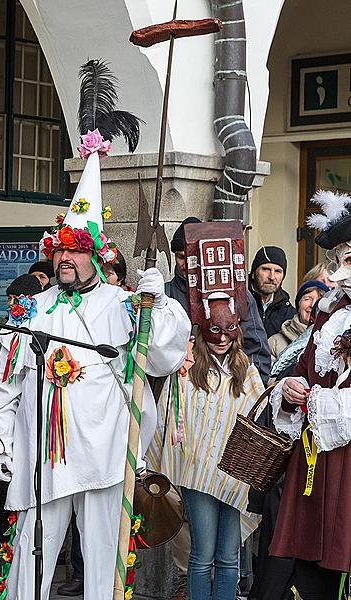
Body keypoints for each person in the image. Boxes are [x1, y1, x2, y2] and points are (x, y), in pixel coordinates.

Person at [0, 136, 190, 600]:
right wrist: (0, 442)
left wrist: (160, 301)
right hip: (43, 458)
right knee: (31, 560)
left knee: (102, 563)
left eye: (75, 251)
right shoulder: (30, 310)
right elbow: (4, 387)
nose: (65, 259)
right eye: (59, 251)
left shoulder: (124, 303)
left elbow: (164, 352)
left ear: (95, 254)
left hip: (106, 454)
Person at [146, 224, 264, 600]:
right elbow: (167, 418)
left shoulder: (249, 371)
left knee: (229, 556)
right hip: (198, 474)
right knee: (201, 556)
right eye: (215, 329)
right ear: (202, 329)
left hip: (235, 477)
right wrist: (151, 459)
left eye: (229, 329)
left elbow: (261, 418)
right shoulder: (185, 369)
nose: (222, 336)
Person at [269, 190, 351, 599]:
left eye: (347, 260)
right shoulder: (328, 313)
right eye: (335, 260)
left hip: (347, 462)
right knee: (309, 567)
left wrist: (318, 402)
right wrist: (291, 390)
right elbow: (301, 369)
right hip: (315, 459)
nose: (337, 271)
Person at [167, 217, 271, 380]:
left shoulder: (238, 294)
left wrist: (251, 389)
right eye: (181, 257)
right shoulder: (167, 295)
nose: (186, 264)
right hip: (180, 390)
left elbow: (256, 348)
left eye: (191, 257)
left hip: (231, 390)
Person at [268, 280, 328, 360]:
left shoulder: (334, 342)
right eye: (307, 299)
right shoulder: (275, 342)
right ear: (298, 306)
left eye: (319, 301)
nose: (313, 305)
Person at [249, 246, 295, 338]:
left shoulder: (288, 313)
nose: (272, 277)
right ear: (253, 273)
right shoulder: (238, 301)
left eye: (278, 271)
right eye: (266, 269)